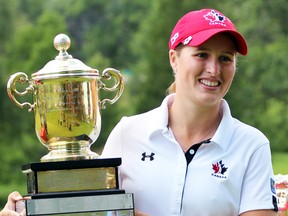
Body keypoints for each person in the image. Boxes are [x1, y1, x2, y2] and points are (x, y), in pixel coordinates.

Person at [0, 8, 278, 216]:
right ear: (174, 59)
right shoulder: (127, 133)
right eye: (202, 54)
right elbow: (90, 208)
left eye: (225, 59)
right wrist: (30, 210)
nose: (214, 70)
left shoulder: (251, 145)